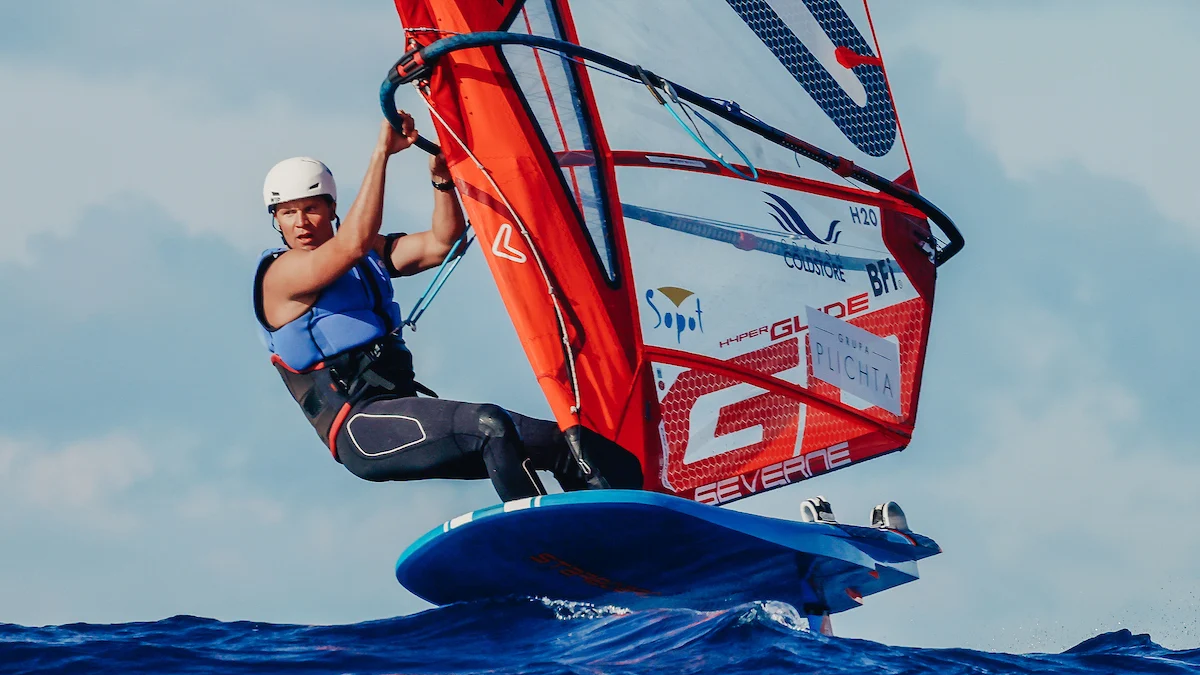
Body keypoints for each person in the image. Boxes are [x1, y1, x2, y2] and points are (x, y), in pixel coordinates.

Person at [252, 111, 642, 501]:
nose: (301, 221)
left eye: (312, 208)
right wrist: (382, 154)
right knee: (491, 426)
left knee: (569, 445)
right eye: (288, 212)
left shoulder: (369, 255)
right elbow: (351, 244)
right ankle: (538, 541)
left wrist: (442, 181)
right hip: (361, 427)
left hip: (404, 407)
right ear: (277, 220)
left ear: (331, 210)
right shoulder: (282, 276)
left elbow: (443, 243)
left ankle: (624, 519)